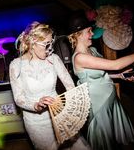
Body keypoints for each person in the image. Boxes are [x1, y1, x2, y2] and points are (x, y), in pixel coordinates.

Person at [60, 10, 134, 150]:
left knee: (114, 140)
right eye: (89, 31)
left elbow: (98, 74)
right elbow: (116, 64)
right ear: (78, 35)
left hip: (110, 100)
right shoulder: (79, 57)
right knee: (104, 143)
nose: (92, 34)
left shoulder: (92, 50)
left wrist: (118, 76)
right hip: (99, 106)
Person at [9, 21, 91, 150]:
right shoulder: (16, 65)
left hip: (60, 115)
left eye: (51, 43)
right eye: (46, 44)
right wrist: (35, 105)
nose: (49, 48)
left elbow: (70, 86)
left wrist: (67, 105)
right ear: (33, 42)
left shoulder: (54, 59)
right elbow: (18, 98)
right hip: (36, 123)